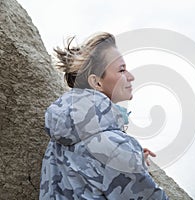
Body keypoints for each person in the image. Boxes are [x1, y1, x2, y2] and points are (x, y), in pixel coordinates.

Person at [39, 32, 169, 199]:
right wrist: (125, 156)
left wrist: (132, 159)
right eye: (122, 70)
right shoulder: (111, 145)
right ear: (97, 82)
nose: (131, 76)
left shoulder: (61, 134)